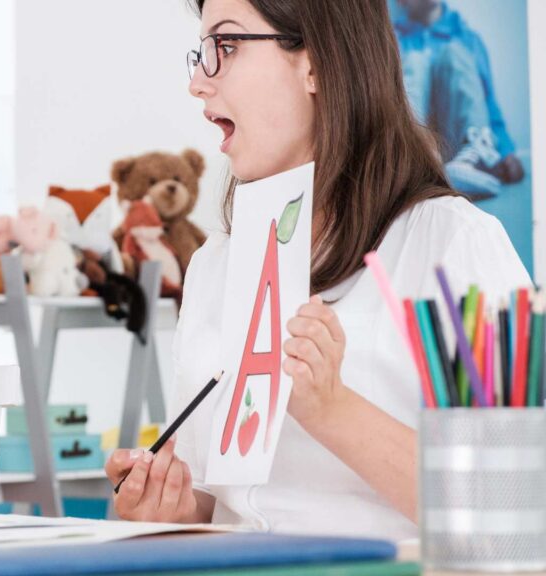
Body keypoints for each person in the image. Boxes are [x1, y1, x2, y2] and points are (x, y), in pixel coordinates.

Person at [105, 0, 529, 540]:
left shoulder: (453, 245)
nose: (198, 83)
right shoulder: (214, 263)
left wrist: (332, 410)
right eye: (203, 51)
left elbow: (512, 507)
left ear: (318, 65)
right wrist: (177, 507)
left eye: (227, 46)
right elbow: (223, 502)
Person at [394, 0, 525, 199]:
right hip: (417, 145)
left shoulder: (468, 39)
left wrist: (507, 151)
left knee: (454, 54)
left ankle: (472, 158)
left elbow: (487, 101)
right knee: (414, 62)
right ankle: (418, 163)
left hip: (457, 145)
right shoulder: (395, 39)